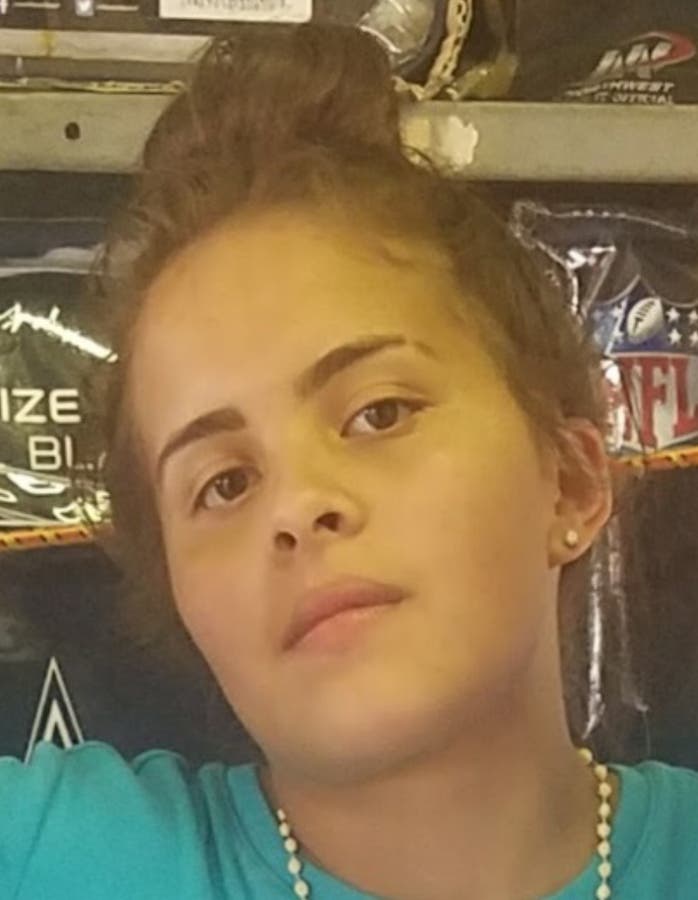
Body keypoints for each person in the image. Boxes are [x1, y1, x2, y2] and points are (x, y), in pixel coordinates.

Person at [2, 21, 698, 900]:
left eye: (379, 413)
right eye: (224, 483)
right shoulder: (55, 858)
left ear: (570, 481)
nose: (298, 505)